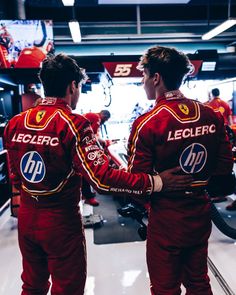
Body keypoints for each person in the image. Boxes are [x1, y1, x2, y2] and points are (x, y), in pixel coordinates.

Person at [3, 53, 193, 295]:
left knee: (31, 286)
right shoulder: (74, 123)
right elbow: (102, 179)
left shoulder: (15, 123)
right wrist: (157, 182)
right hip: (60, 222)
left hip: (28, 219)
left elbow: (15, 176)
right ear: (73, 86)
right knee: (67, 289)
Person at [127, 46, 233, 295]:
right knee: (199, 284)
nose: (143, 83)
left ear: (156, 78)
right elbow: (224, 171)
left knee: (165, 288)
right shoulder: (211, 115)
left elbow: (136, 184)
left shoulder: (147, 123)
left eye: (144, 76)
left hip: (165, 220)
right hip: (199, 215)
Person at [206, 88, 234, 203]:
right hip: (226, 134)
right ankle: (224, 190)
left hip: (213, 135)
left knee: (213, 162)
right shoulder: (226, 104)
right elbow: (229, 120)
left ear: (211, 94)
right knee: (227, 162)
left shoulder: (208, 105)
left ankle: (215, 192)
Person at [82, 109, 111, 206]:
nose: (105, 122)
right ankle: (88, 197)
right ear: (104, 116)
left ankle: (85, 194)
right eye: (106, 119)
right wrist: (103, 146)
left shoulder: (91, 115)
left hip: (78, 145)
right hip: (82, 148)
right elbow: (92, 137)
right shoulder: (97, 118)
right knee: (86, 172)